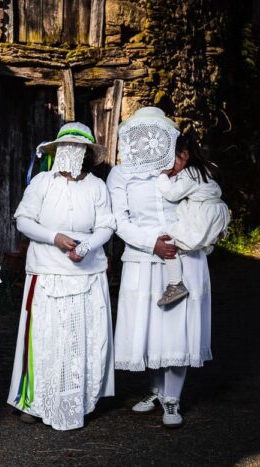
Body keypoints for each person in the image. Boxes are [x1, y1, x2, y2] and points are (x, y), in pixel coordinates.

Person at [6, 122, 115, 430]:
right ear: (57, 151)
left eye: (78, 149)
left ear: (86, 154)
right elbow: (23, 220)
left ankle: (78, 398)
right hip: (48, 269)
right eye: (66, 148)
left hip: (87, 271)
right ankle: (36, 401)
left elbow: (106, 224)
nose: (72, 154)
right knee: (47, 335)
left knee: (81, 335)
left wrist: (87, 246)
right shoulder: (42, 182)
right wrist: (54, 237)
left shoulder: (96, 186)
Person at [109, 107, 213, 428]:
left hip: (183, 257)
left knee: (176, 327)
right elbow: (118, 219)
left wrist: (188, 237)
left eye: (154, 134)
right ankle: (156, 390)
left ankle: (173, 398)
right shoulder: (121, 174)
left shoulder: (182, 169)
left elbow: (203, 206)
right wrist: (150, 243)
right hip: (142, 259)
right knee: (151, 327)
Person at [156, 134, 230, 306]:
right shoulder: (208, 168)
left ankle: (175, 284)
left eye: (172, 160)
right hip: (217, 213)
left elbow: (172, 194)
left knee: (168, 238)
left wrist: (162, 176)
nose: (169, 166)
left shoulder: (191, 173)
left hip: (204, 214)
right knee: (192, 239)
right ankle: (203, 245)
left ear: (184, 155)